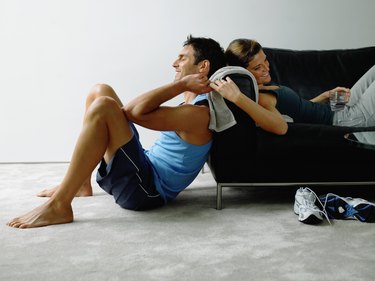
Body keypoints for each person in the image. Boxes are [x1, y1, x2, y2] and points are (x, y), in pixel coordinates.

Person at [7, 35, 228, 229]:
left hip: (146, 191)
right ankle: (82, 183)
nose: (174, 63)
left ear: (203, 67)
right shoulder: (189, 108)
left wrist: (180, 86)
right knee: (100, 90)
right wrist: (182, 88)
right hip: (143, 168)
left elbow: (132, 112)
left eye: (183, 58)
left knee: (104, 105)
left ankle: (60, 205)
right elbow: (133, 112)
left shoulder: (199, 114)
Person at [223, 38, 375, 127]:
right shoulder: (262, 98)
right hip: (347, 119)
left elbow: (299, 111)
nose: (266, 68)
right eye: (257, 67)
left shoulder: (264, 86)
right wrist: (238, 98)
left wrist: (326, 95)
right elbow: (282, 127)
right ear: (242, 72)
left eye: (266, 60)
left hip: (336, 108)